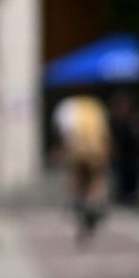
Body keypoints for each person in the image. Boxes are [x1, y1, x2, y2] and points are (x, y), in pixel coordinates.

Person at [54, 91, 110, 243]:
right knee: (94, 180)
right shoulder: (95, 107)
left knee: (77, 178)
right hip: (95, 150)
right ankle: (91, 204)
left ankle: (80, 204)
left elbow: (64, 133)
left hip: (77, 149)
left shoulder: (67, 107)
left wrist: (61, 152)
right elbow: (104, 133)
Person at [108, 92, 139, 206]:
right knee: (120, 173)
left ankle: (131, 193)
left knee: (131, 173)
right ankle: (123, 193)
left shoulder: (134, 118)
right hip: (121, 153)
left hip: (132, 153)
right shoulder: (115, 119)